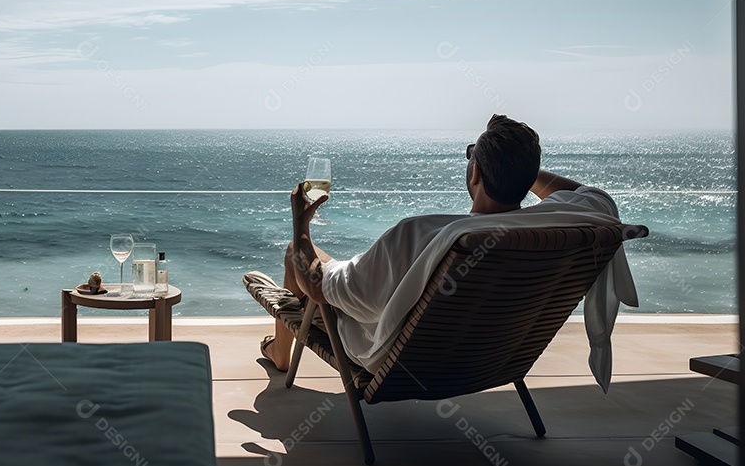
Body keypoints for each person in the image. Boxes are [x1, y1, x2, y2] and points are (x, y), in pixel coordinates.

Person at [260, 114, 628, 374]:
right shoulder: (565, 226)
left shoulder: (426, 236)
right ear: (529, 175)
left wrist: (300, 225)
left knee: (298, 256)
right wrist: (518, 166)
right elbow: (588, 194)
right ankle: (280, 347)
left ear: (475, 173)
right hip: (490, 356)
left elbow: (319, 288)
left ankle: (280, 353)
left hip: (394, 357)